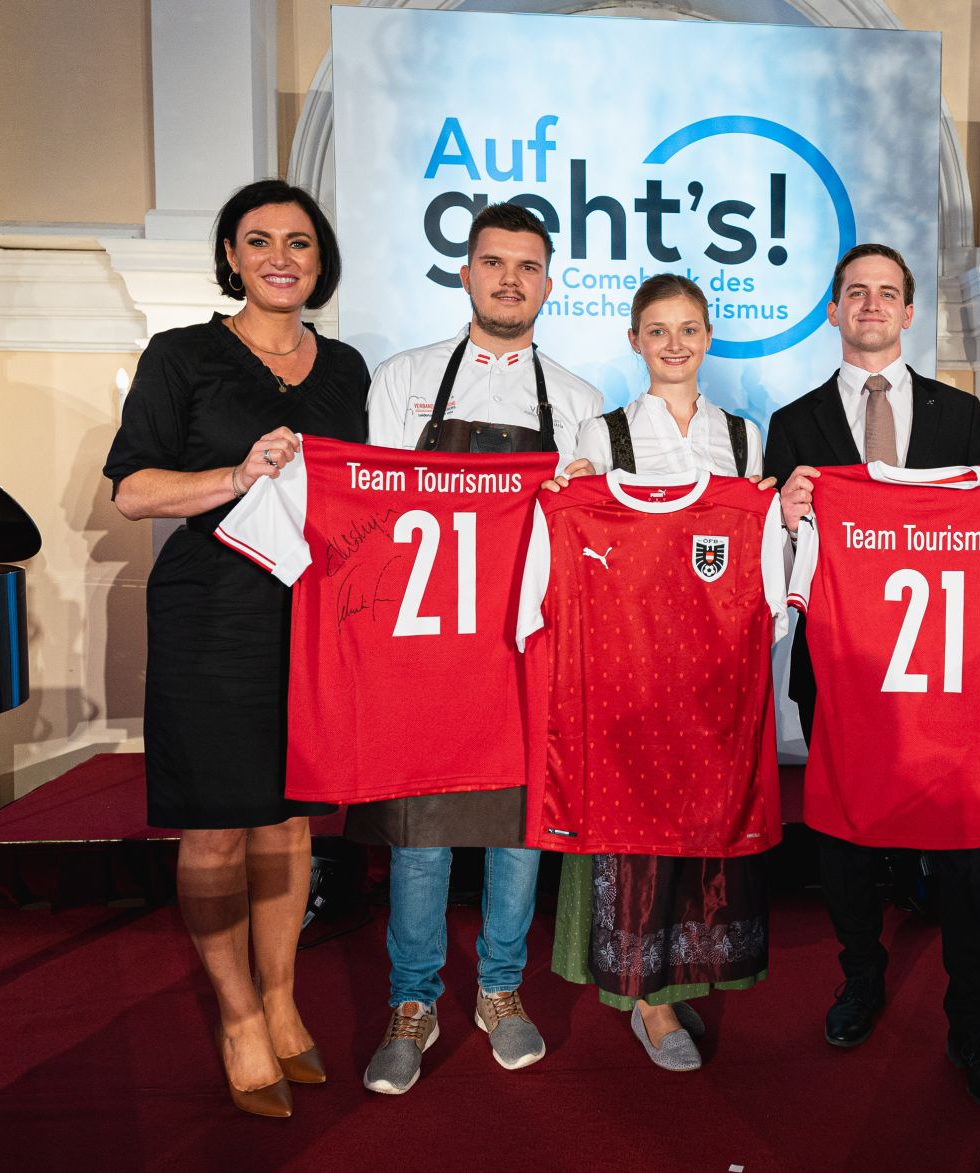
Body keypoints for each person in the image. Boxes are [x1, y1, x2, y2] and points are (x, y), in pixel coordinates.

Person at [766, 243, 980, 1114]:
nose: (871, 305)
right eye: (856, 292)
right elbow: (774, 551)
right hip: (844, 674)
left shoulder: (961, 414)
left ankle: (974, 1020)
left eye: (888, 293)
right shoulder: (794, 421)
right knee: (845, 842)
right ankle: (862, 972)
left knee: (969, 858)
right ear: (832, 309)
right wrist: (782, 511)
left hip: (948, 687)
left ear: (908, 310)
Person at [103, 179, 368, 1118]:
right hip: (211, 614)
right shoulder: (181, 356)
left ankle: (286, 999)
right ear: (230, 257)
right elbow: (132, 492)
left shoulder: (345, 369)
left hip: (309, 615)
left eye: (299, 241)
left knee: (290, 820)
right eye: (259, 241)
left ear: (320, 260)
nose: (281, 256)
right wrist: (235, 471)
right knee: (216, 822)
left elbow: (359, 498)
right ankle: (238, 1012)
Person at [357, 201, 604, 1094]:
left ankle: (501, 987)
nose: (510, 279)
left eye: (527, 265)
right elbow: (375, 519)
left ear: (548, 282)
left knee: (518, 832)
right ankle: (413, 1000)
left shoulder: (577, 402)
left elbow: (586, 541)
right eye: (493, 262)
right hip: (423, 649)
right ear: (464, 273)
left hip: (522, 648)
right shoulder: (402, 379)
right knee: (421, 838)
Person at [548, 273, 774, 1071]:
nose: (674, 343)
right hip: (628, 670)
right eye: (657, 329)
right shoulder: (599, 432)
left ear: (709, 337)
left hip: (714, 674)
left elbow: (757, 551)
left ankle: (683, 974)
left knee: (701, 831)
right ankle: (647, 996)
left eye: (688, 328)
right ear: (635, 340)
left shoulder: (746, 438)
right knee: (635, 835)